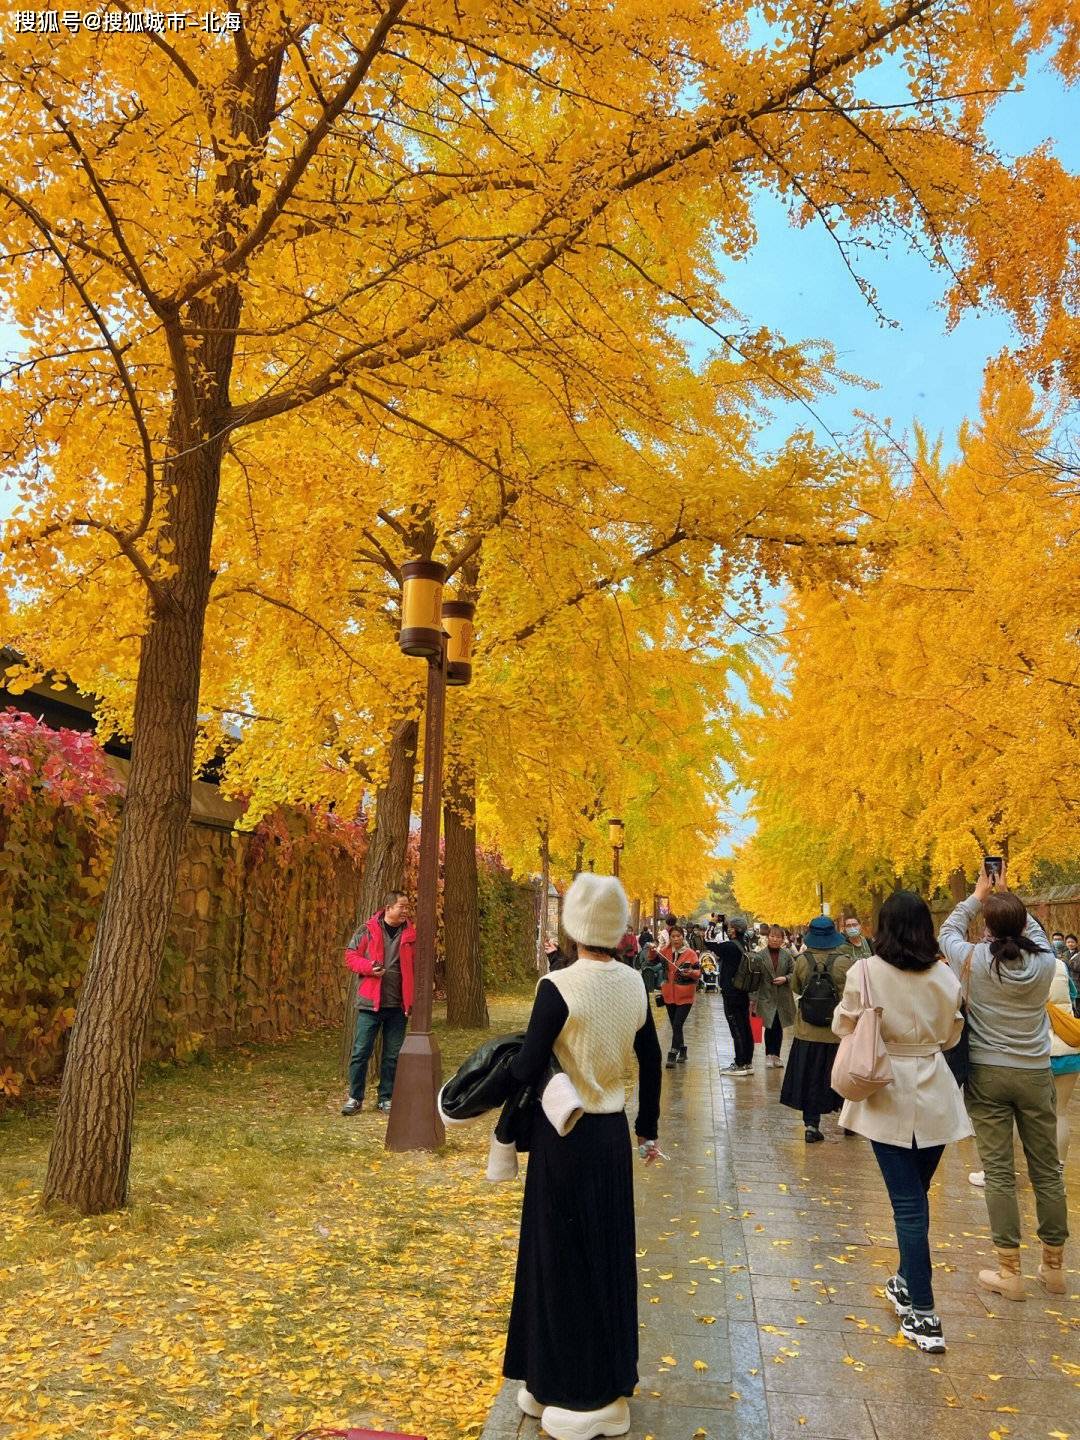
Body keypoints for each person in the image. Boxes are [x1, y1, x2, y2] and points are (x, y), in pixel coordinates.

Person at [502, 873, 662, 1440]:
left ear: (573, 925)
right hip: (610, 1137)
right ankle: (588, 1382)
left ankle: (574, 1389)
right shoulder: (637, 985)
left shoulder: (558, 986)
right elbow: (652, 1056)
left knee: (558, 1257)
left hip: (561, 1138)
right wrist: (648, 1128)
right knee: (607, 1257)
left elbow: (526, 1066)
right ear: (617, 927)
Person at [832, 891, 971, 1352]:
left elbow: (843, 1027)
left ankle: (925, 1313)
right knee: (916, 1197)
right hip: (934, 1090)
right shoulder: (944, 976)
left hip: (884, 1090)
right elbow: (953, 1033)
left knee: (909, 1206)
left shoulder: (865, 972)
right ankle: (907, 1283)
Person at [939, 862, 1067, 1299]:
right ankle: (1053, 1268)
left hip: (988, 1072)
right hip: (1035, 1071)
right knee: (1047, 1170)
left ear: (989, 926)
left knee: (999, 1173)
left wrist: (979, 896)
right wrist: (1010, 897)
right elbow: (1039, 935)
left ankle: (1009, 1271)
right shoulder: (1047, 963)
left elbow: (948, 931)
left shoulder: (973, 960)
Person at [780, 915, 855, 1141]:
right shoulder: (845, 961)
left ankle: (811, 1125)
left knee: (810, 1078)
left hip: (808, 1031)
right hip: (837, 1032)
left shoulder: (803, 961)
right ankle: (848, 1120)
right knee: (842, 1077)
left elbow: (796, 986)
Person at [342, 891, 414, 1115]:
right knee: (361, 1052)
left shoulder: (412, 934)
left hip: (397, 1006)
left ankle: (386, 1098)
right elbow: (350, 956)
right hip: (369, 1004)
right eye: (401, 906)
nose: (406, 910)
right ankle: (355, 1097)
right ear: (388, 907)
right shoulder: (368, 929)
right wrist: (369, 968)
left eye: (407, 907)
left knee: (392, 1055)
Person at [1049, 955, 1080, 1166]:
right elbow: (1072, 994)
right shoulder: (1059, 965)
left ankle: (1002, 1173)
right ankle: (1057, 1169)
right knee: (1060, 1112)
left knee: (1014, 1113)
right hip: (1068, 1047)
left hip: (1035, 1050)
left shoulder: (1013, 964)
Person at [715, 916, 756, 1075]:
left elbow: (710, 942)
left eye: (730, 927)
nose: (728, 929)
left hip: (731, 992)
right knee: (745, 1026)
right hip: (742, 991)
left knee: (736, 1027)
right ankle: (747, 1062)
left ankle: (739, 1063)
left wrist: (714, 925)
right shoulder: (745, 944)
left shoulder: (730, 947)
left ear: (736, 929)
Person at [659, 924, 701, 1067]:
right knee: (675, 1025)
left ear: (683, 937)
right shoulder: (665, 951)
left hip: (685, 995)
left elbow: (698, 973)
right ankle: (683, 1050)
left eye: (678, 936)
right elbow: (652, 959)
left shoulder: (690, 953)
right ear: (669, 938)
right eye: (673, 936)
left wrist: (691, 973)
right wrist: (652, 950)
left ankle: (673, 1052)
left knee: (677, 1023)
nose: (676, 939)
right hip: (669, 994)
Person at [754, 924, 796, 1069]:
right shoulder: (760, 956)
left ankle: (777, 1055)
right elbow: (755, 978)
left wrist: (785, 978)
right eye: (772, 936)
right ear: (767, 937)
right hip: (766, 995)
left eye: (778, 937)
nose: (774, 939)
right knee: (769, 1026)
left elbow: (794, 972)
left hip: (782, 996)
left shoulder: (787, 956)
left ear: (782, 939)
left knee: (779, 1025)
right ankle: (768, 1055)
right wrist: (752, 999)